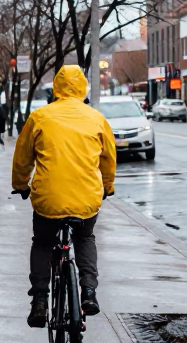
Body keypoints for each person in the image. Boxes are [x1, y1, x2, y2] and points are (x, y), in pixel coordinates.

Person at [11, 65, 116, 327]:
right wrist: (108, 186)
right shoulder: (96, 119)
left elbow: (22, 159)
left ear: (56, 87)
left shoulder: (40, 117)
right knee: (85, 237)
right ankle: (89, 292)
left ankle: (39, 301)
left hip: (48, 198)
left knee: (43, 243)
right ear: (83, 88)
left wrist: (21, 185)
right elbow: (109, 159)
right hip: (86, 198)